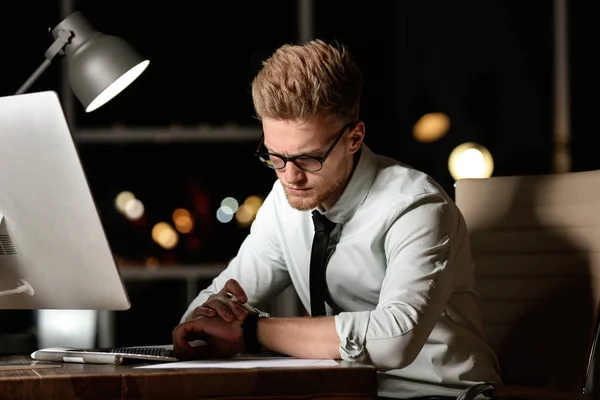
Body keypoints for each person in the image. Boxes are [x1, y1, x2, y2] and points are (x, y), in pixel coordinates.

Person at [172, 39, 501, 399]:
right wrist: (206, 318)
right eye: (274, 157)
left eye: (310, 158)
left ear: (354, 138)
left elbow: (396, 340)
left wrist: (252, 331)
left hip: (439, 394)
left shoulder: (417, 207)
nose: (290, 177)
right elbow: (215, 301)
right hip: (338, 392)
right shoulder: (285, 201)